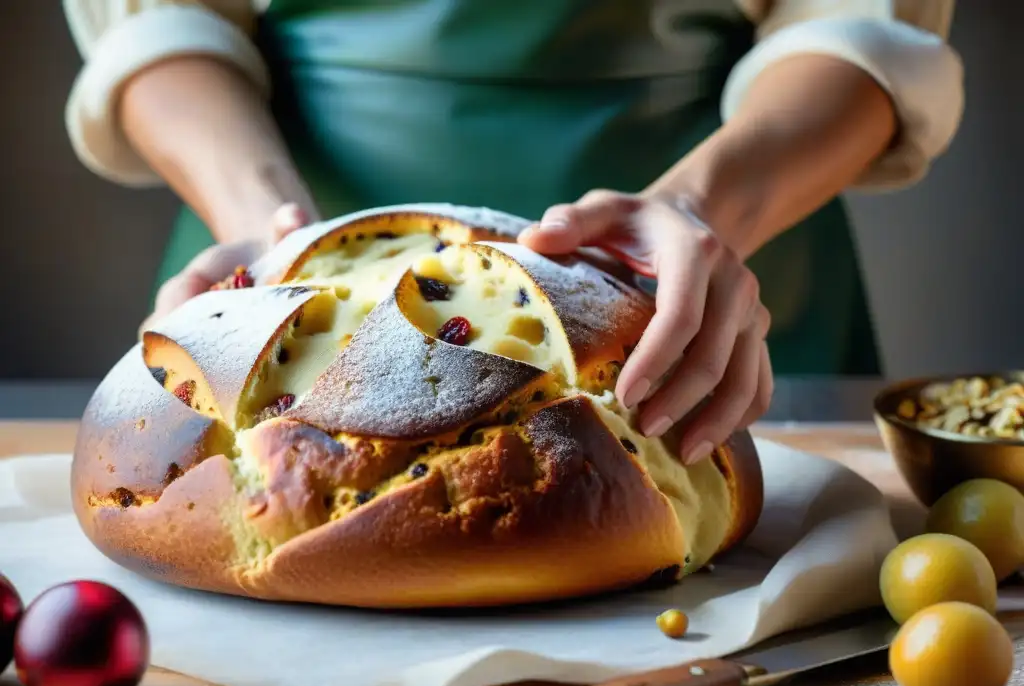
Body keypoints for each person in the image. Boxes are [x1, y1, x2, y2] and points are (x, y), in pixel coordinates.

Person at [61, 0, 963, 464]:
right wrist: (274, 230)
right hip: (277, 297)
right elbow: (155, 24)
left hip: (692, 302)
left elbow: (857, 25)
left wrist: (698, 211)